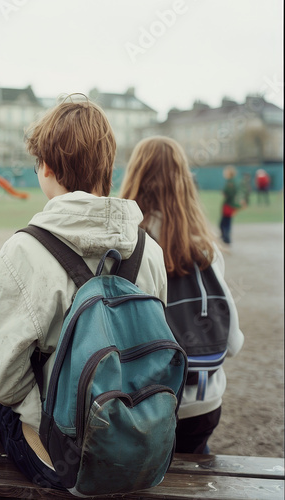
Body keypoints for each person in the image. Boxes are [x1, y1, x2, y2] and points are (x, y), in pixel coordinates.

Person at [0, 96, 168, 489]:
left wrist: (43, 416)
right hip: (137, 436)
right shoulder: (149, 250)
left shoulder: (24, 249)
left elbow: (4, 379)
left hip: (65, 456)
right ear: (108, 167)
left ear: (45, 166)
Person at [119, 136, 244, 454]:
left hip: (143, 406)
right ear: (183, 184)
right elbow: (232, 343)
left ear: (134, 178)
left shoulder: (124, 248)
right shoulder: (205, 248)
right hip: (202, 407)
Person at [219, 165, 243, 245]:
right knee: (225, 222)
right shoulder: (232, 181)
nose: (225, 173)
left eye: (226, 172)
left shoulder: (231, 182)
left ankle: (227, 238)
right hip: (229, 204)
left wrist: (224, 193)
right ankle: (224, 236)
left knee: (225, 222)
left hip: (229, 205)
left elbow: (229, 193)